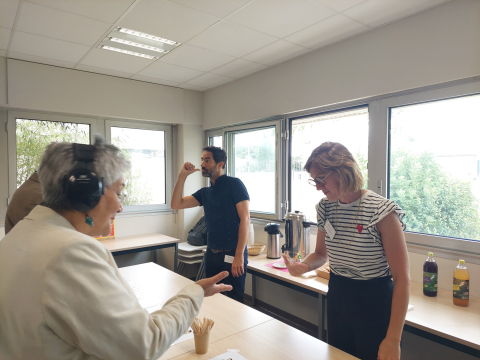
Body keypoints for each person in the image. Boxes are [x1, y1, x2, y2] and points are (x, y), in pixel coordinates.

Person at [0, 137, 232, 360]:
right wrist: (194, 293)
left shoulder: (18, 236)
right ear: (88, 192)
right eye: (119, 192)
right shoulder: (71, 252)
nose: (120, 207)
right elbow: (145, 343)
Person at [283, 142, 410, 360]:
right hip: (338, 293)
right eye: (315, 180)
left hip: (374, 299)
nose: (318, 187)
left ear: (344, 171)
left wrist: (393, 340)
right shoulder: (325, 207)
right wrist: (303, 266)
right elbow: (321, 255)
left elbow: (402, 279)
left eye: (321, 179)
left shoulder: (381, 211)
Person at [171, 146, 250, 303]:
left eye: (207, 160)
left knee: (235, 300)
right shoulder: (205, 192)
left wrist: (239, 255)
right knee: (213, 300)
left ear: (220, 164)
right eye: (202, 160)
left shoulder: (235, 184)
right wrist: (182, 176)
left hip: (233, 254)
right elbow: (176, 204)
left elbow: (245, 219)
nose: (202, 164)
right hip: (211, 255)